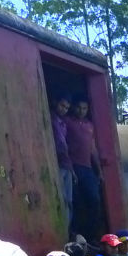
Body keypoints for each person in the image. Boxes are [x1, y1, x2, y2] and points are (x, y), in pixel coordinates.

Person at [66, 98, 103, 239]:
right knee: (76, 202)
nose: (81, 111)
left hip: (87, 168)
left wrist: (99, 170)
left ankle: (91, 235)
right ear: (74, 108)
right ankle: (75, 233)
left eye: (84, 108)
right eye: (79, 108)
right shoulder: (68, 122)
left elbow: (93, 149)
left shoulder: (89, 125)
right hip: (73, 166)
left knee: (94, 200)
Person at [49, 96, 74, 227]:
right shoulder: (51, 120)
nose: (64, 109)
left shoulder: (63, 123)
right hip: (58, 164)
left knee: (68, 201)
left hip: (66, 165)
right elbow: (59, 144)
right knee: (62, 199)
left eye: (67, 108)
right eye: (62, 106)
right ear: (55, 103)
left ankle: (67, 229)